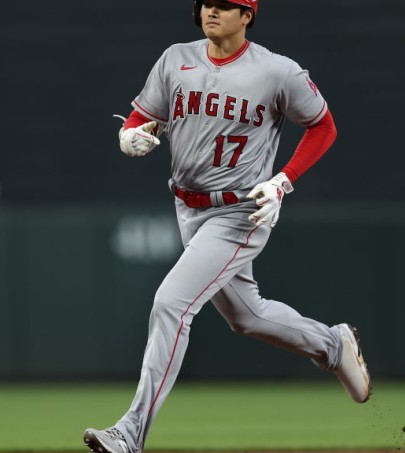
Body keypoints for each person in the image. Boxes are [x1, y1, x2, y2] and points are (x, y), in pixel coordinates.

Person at [84, 1, 371, 451]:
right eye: (206, 4)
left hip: (241, 212)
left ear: (248, 14)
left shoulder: (278, 71)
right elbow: (145, 116)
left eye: (223, 5)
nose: (211, 11)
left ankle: (130, 434)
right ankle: (332, 345)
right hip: (187, 207)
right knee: (246, 316)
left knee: (170, 304)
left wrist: (283, 181)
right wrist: (130, 134)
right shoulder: (175, 58)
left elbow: (323, 127)